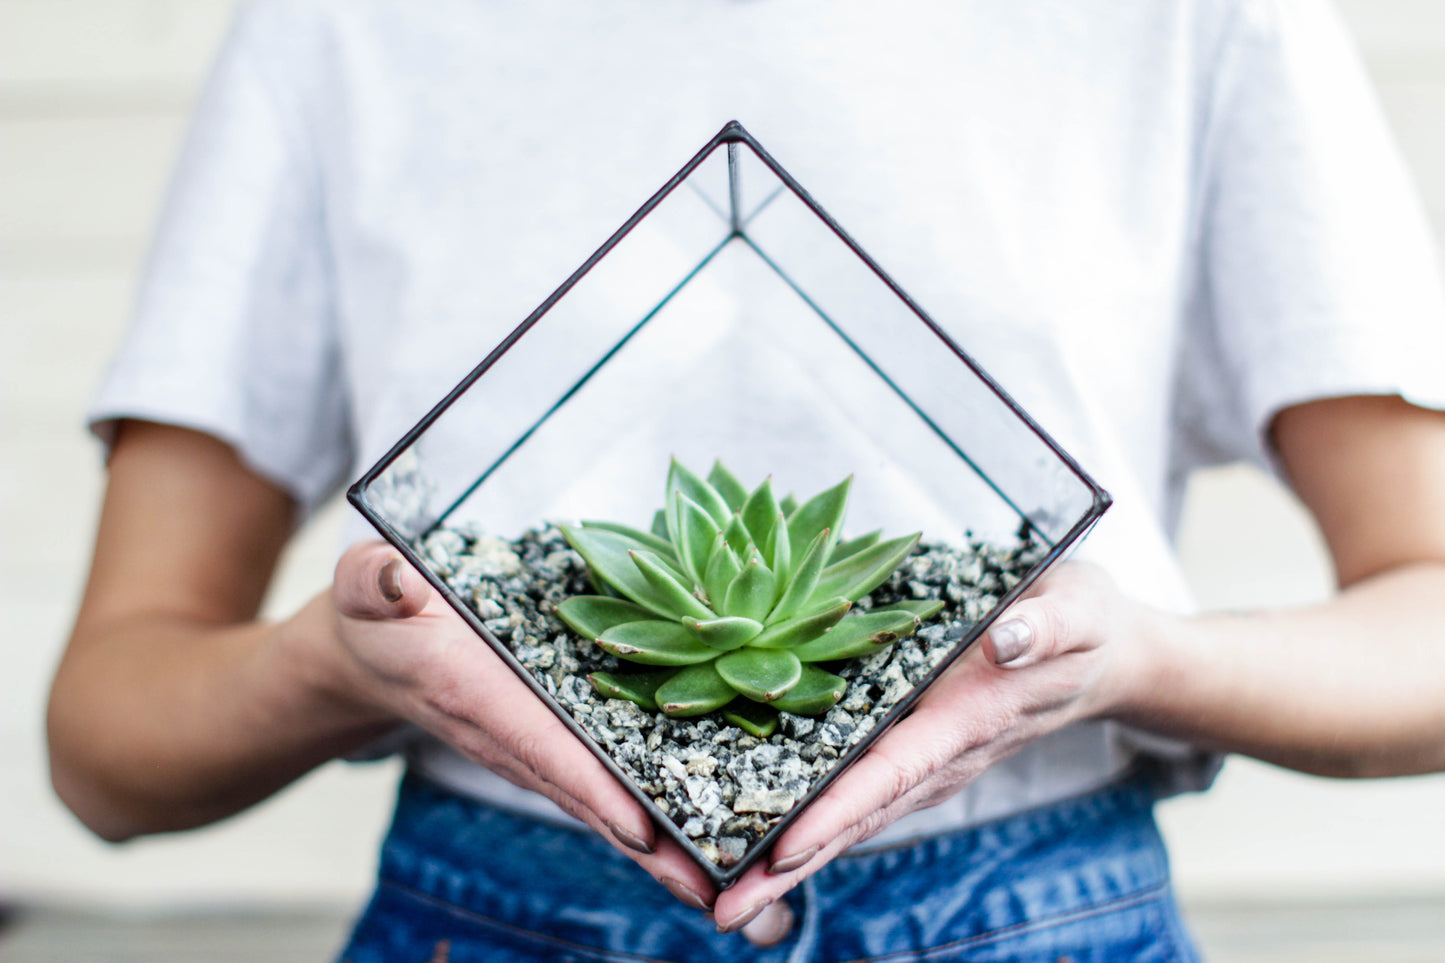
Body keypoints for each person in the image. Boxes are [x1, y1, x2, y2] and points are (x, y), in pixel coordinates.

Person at [48, 0, 1445, 959]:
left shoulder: (1189, 20)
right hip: (492, 911)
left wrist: (1136, 655)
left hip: (1034, 911)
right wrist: (339, 665)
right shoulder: (342, 27)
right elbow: (108, 744)